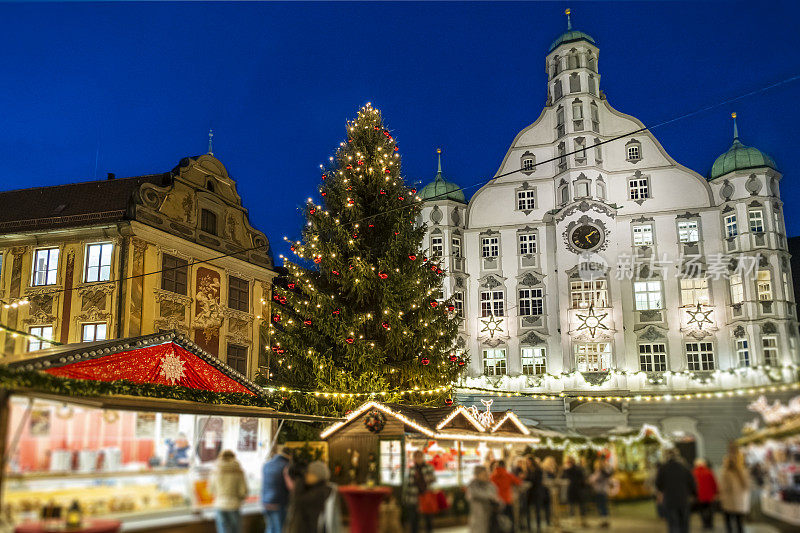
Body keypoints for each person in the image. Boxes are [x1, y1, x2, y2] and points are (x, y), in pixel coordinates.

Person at [285, 460, 335, 533]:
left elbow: (298, 501)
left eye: (309, 473)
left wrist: (299, 482)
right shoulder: (317, 489)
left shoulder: (319, 492)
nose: (306, 475)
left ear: (317, 476)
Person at [655, 448, 696, 533]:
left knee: (673, 524)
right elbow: (692, 484)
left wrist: (663, 490)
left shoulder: (663, 468)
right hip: (683, 500)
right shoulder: (685, 467)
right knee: (684, 524)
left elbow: (658, 484)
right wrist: (693, 494)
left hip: (670, 500)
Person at [210, 450, 248, 533]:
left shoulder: (215, 471)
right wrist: (240, 499)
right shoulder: (239, 472)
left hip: (220, 505)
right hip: (234, 505)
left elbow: (211, 490)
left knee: (223, 530)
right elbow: (243, 491)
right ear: (234, 457)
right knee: (235, 530)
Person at [261, 446, 292, 533]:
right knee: (280, 529)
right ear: (290, 456)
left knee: (270, 527)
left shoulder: (266, 465)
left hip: (265, 502)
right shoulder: (287, 466)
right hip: (278, 502)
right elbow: (290, 486)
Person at [719, 445, 750, 533]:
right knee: (740, 524)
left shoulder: (725, 473)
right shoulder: (743, 471)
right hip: (740, 503)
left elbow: (724, 487)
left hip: (728, 502)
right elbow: (747, 486)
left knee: (729, 523)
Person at [404, 450, 435, 533]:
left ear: (423, 457)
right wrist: (407, 498)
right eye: (416, 457)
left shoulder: (429, 467)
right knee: (414, 520)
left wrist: (423, 479)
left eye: (420, 457)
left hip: (426, 497)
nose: (418, 459)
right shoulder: (411, 469)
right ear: (414, 458)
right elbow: (409, 484)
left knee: (428, 519)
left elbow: (433, 480)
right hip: (414, 498)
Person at [466, 465, 500, 533]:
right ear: (477, 475)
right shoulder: (472, 485)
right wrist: (491, 497)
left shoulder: (491, 485)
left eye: (487, 473)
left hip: (491, 518)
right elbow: (475, 494)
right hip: (478, 519)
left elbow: (497, 498)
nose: (487, 476)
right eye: (484, 474)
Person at [491, 459, 522, 531]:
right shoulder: (508, 475)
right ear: (505, 466)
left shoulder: (492, 476)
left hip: (497, 502)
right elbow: (519, 482)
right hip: (507, 501)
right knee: (510, 520)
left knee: (499, 521)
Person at [561, 456, 587, 527]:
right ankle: (575, 521)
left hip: (576, 490)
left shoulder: (575, 469)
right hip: (573, 490)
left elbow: (581, 479)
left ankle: (581, 521)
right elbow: (563, 478)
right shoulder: (568, 469)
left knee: (579, 506)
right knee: (572, 506)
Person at [692, 458, 718, 530]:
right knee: (710, 510)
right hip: (709, 495)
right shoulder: (709, 472)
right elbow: (714, 483)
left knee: (701, 511)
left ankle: (704, 524)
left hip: (699, 496)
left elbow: (692, 485)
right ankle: (710, 524)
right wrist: (716, 493)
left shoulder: (694, 473)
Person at [589, 457, 614, 528]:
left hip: (601, 491)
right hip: (600, 490)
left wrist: (591, 479)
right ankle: (604, 521)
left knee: (602, 506)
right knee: (602, 506)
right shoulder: (601, 471)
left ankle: (604, 521)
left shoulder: (602, 472)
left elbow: (594, 479)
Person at [512, 456, 532, 531]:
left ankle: (520, 524)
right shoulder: (517, 469)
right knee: (519, 509)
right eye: (519, 462)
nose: (520, 463)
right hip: (518, 491)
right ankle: (519, 525)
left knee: (521, 509)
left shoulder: (521, 469)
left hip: (521, 491)